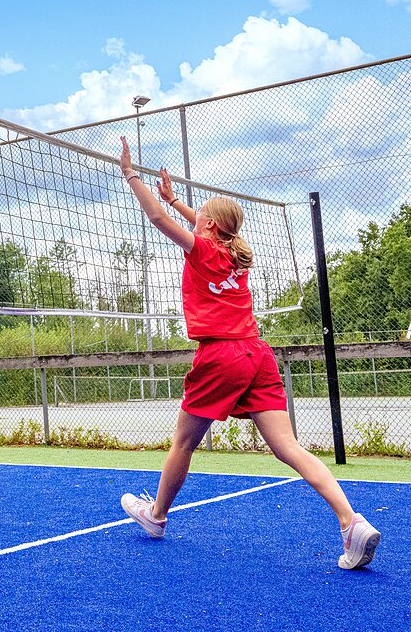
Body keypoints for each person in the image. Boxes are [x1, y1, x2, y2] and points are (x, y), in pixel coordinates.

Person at [116, 138, 381, 570]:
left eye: (201, 215)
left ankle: (157, 516)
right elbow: (195, 222)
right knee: (288, 447)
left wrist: (131, 174)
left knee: (184, 441)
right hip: (258, 353)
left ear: (210, 227)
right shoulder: (234, 254)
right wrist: (180, 200)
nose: (195, 216)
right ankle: (351, 522)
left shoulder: (202, 249)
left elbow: (156, 218)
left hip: (222, 356)